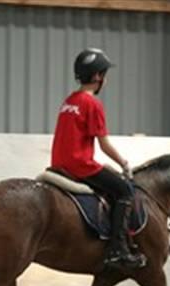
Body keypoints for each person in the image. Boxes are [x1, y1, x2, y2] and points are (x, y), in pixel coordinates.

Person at [50, 48, 146, 270]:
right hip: (81, 166)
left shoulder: (69, 100)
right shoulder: (92, 104)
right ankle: (117, 249)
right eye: (104, 74)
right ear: (97, 77)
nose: (106, 79)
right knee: (124, 191)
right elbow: (104, 144)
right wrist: (124, 163)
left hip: (60, 163)